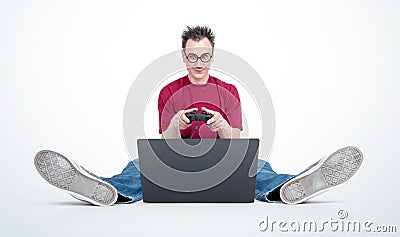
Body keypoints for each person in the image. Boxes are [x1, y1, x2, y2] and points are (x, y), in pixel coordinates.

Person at [34, 26, 363, 206]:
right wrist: (176, 125)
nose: (199, 62)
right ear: (183, 55)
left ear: (213, 55)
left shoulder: (229, 90)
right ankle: (105, 189)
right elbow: (162, 146)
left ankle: (289, 187)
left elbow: (239, 141)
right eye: (192, 56)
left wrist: (223, 128)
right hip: (177, 164)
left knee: (259, 167)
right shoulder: (167, 92)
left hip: (223, 165)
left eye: (205, 55)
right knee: (137, 167)